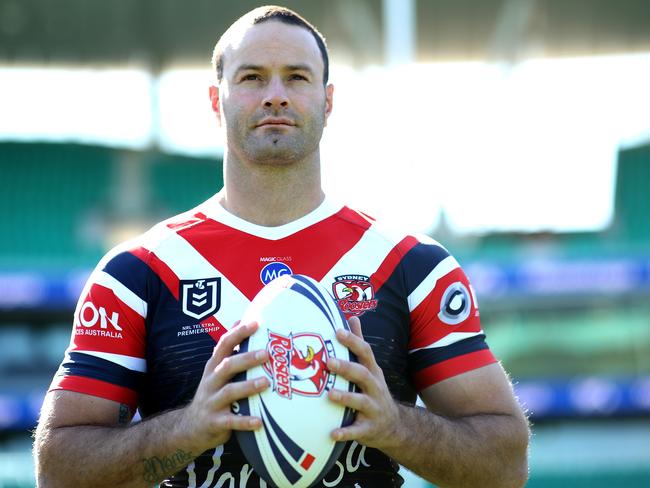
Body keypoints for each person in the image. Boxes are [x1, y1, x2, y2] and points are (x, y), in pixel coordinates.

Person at [34, 5, 530, 488]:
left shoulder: (412, 266)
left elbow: (505, 466)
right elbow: (58, 469)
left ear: (327, 100)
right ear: (216, 100)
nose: (275, 96)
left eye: (296, 77)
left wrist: (396, 426)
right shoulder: (136, 273)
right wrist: (187, 430)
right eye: (252, 78)